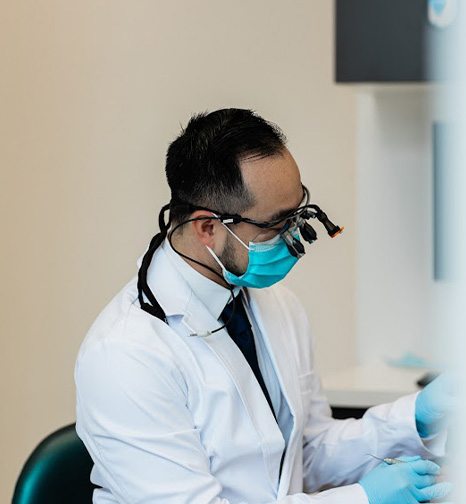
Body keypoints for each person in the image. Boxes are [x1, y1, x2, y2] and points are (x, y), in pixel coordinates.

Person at [75, 108, 453, 503]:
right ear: (208, 228)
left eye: (299, 213)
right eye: (277, 223)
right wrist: (361, 499)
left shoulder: (276, 305)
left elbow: (305, 455)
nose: (296, 237)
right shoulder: (125, 354)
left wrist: (418, 418)